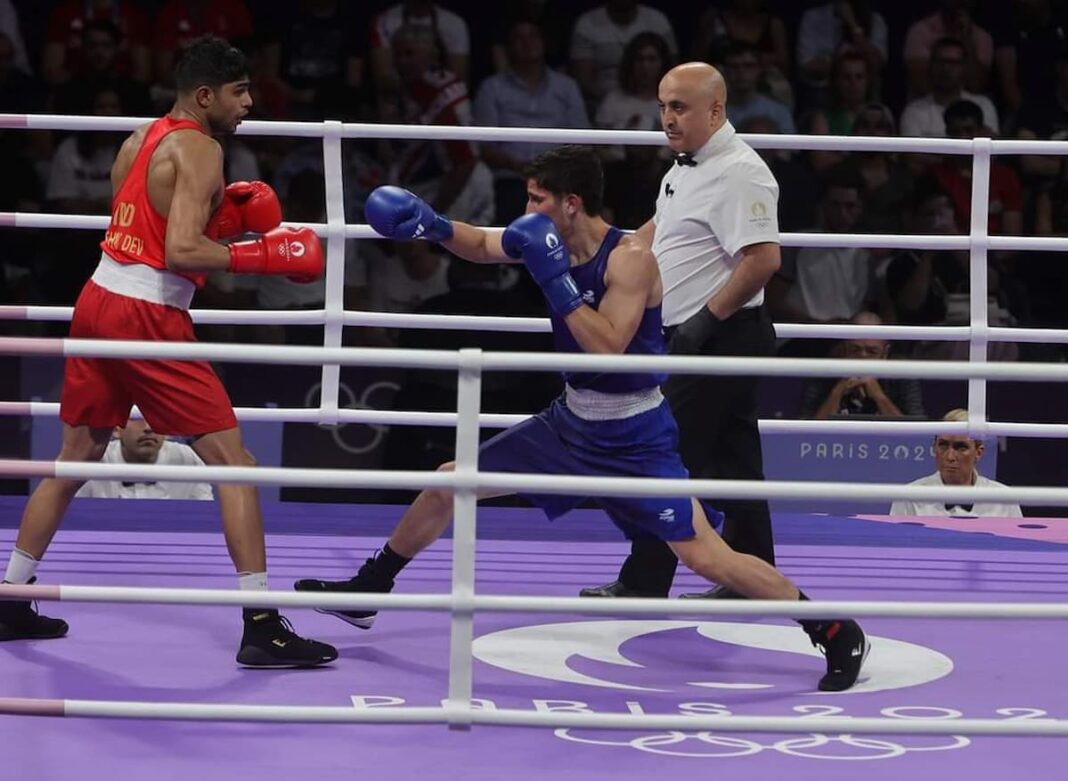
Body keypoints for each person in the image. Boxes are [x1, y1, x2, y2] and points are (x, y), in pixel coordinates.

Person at [294, 146, 868, 692]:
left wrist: (553, 280)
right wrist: (434, 226)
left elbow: (608, 346)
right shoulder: (544, 240)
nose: (527, 212)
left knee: (703, 556)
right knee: (449, 482)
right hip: (569, 424)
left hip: (637, 437)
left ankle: (832, 629)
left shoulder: (630, 258)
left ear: (571, 203)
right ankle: (370, 590)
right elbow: (480, 242)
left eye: (537, 199)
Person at [0, 36, 336, 668]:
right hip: (147, 313)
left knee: (76, 454)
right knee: (234, 464)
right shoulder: (203, 149)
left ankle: (9, 596)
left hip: (99, 297)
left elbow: (141, 226)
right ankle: (262, 626)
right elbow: (180, 253)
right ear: (204, 95)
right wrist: (265, 251)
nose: (250, 104)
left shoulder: (140, 139)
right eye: (239, 92)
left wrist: (222, 223)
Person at [583, 61, 781, 602]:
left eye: (680, 107)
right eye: (664, 106)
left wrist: (705, 320)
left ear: (716, 110)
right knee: (735, 459)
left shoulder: (740, 171)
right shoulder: (684, 168)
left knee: (662, 457)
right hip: (703, 336)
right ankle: (756, 571)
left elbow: (762, 259)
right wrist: (607, 252)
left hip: (720, 337)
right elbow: (659, 230)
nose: (667, 118)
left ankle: (644, 580)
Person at [890, 409, 1022, 518]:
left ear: (978, 452)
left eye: (961, 447)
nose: (950, 456)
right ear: (934, 448)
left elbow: (1018, 548)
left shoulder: (1004, 500)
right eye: (943, 445)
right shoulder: (908, 497)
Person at [800, 312, 925, 419]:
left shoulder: (904, 374)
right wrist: (838, 391)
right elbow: (806, 434)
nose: (863, 357)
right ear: (845, 348)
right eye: (855, 349)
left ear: (885, 353)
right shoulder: (824, 372)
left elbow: (915, 435)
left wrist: (879, 396)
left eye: (872, 352)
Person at [75, 419, 214, 500]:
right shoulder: (94, 460)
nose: (148, 428)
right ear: (116, 429)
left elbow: (204, 520)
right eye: (137, 419)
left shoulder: (189, 459)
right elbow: (74, 518)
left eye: (156, 417)